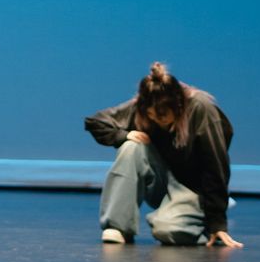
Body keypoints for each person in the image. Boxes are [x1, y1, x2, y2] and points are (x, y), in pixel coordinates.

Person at [85, 62, 239, 248]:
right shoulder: (143, 106)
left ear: (178, 105)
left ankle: (200, 220)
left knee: (167, 231)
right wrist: (123, 135)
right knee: (131, 146)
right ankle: (118, 227)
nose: (158, 120)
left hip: (191, 188)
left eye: (163, 115)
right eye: (152, 115)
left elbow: (216, 165)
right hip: (161, 181)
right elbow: (96, 121)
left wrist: (217, 222)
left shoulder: (200, 108)